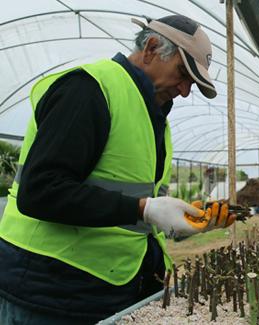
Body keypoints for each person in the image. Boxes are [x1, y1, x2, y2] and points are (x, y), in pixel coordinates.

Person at [0, 15, 235, 324]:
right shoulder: (89, 89)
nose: (185, 90)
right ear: (151, 48)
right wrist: (144, 209)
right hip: (48, 294)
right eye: (183, 73)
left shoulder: (154, 117)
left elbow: (130, 201)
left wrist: (180, 221)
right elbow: (40, 190)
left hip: (104, 292)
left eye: (192, 82)